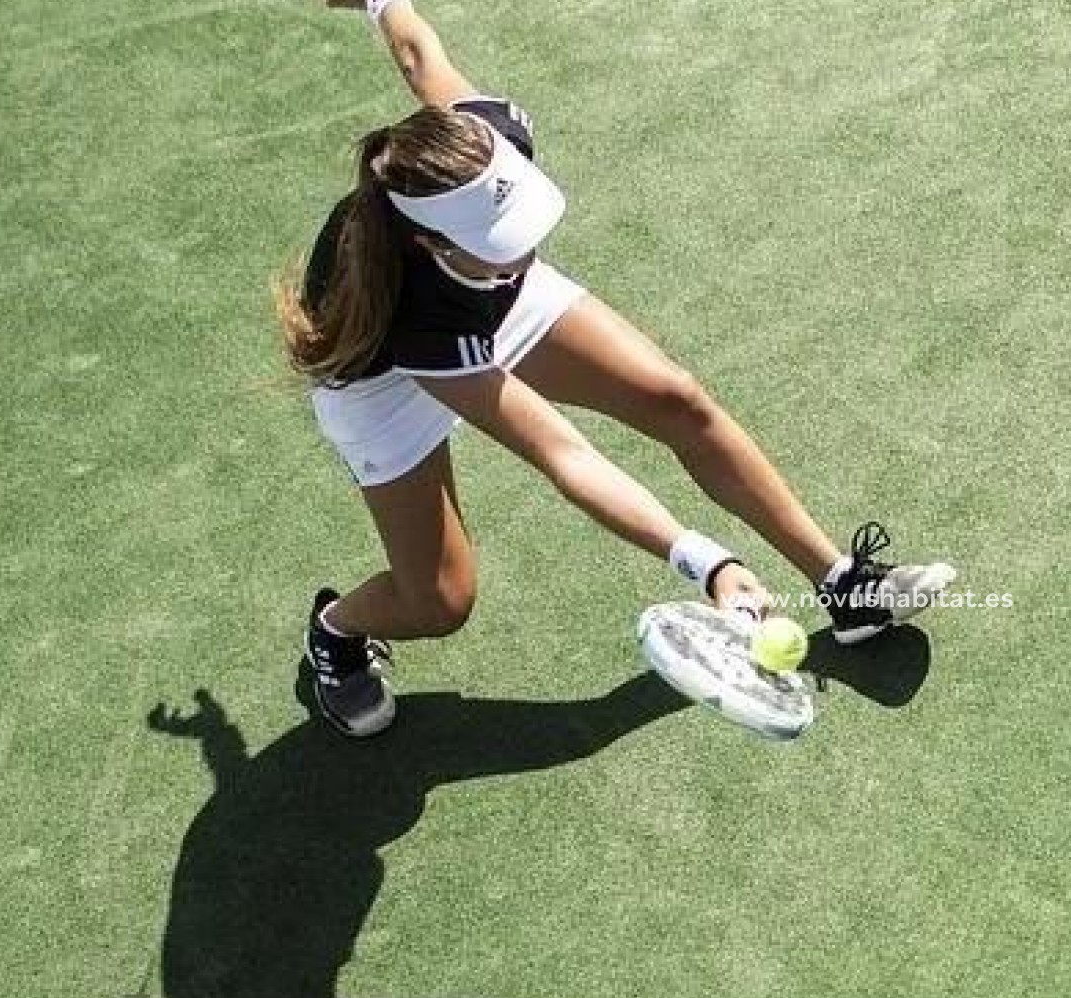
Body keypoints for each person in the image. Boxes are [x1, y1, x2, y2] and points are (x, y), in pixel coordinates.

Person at [278, 0, 956, 736]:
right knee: (440, 601)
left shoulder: (480, 148)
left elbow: (418, 55)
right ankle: (336, 631)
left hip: (485, 295)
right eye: (504, 238)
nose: (528, 246)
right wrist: (708, 564)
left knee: (676, 400)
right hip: (384, 381)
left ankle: (845, 586)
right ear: (430, 242)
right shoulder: (418, 318)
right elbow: (563, 454)